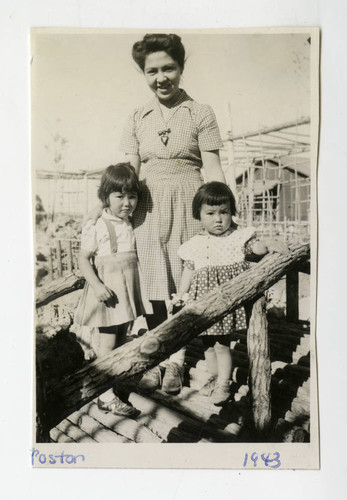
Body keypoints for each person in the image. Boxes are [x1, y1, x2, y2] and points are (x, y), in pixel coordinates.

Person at [119, 33, 227, 394]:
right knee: (153, 284)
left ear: (181, 68)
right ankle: (156, 355)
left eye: (168, 68)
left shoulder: (201, 112)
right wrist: (107, 207)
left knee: (184, 282)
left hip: (189, 203)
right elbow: (129, 172)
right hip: (147, 207)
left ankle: (176, 362)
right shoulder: (137, 116)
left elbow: (212, 169)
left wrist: (223, 214)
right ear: (143, 74)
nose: (161, 77)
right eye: (152, 71)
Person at [172, 182, 289, 405]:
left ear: (231, 212)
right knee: (207, 344)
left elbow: (254, 247)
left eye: (224, 212)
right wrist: (181, 294)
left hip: (226, 301)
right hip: (204, 303)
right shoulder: (194, 244)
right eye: (211, 213)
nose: (218, 219)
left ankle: (224, 382)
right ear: (199, 215)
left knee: (221, 344)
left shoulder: (237, 237)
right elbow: (189, 269)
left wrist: (269, 244)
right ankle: (215, 377)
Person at [75, 163, 152, 416]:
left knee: (121, 340)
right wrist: (97, 286)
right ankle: (103, 396)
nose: (127, 203)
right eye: (119, 197)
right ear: (106, 197)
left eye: (132, 196)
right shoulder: (98, 225)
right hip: (108, 293)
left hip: (126, 292)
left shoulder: (130, 223)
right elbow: (83, 258)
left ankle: (111, 384)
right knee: (106, 343)